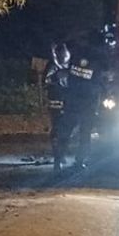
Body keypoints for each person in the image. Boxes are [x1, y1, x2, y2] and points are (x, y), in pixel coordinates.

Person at [44, 42, 72, 172]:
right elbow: (47, 81)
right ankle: (57, 158)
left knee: (67, 131)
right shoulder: (52, 67)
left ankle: (61, 154)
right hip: (56, 101)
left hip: (68, 102)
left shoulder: (70, 66)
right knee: (57, 130)